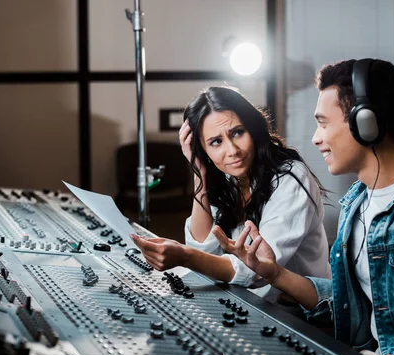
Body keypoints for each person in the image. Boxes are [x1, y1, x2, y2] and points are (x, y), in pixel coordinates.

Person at [214, 58, 394, 355]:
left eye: (323, 123)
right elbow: (350, 305)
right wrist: (275, 274)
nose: (315, 138)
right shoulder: (357, 202)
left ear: (367, 122)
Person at [130, 86, 331, 300]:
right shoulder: (226, 177)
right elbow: (207, 256)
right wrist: (199, 173)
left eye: (237, 132)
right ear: (203, 150)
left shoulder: (291, 177)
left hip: (304, 315)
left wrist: (186, 257)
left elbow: (257, 270)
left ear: (252, 129)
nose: (233, 150)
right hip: (253, 302)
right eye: (216, 142)